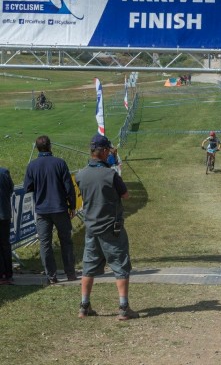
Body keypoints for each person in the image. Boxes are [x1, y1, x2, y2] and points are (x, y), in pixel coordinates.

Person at [75, 134, 138, 320]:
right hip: (112, 228)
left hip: (91, 228)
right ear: (103, 152)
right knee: (121, 266)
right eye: (107, 150)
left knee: (88, 266)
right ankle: (124, 307)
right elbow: (125, 195)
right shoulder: (111, 175)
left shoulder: (80, 174)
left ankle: (84, 306)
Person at [23, 135, 77, 284]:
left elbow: (27, 187)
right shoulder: (60, 163)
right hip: (59, 208)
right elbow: (68, 187)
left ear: (37, 148)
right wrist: (72, 205)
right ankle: (70, 273)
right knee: (66, 241)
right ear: (50, 146)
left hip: (42, 210)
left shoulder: (32, 166)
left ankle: (51, 275)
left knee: (45, 244)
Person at [0, 166, 14, 285]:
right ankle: (8, 274)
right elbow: (11, 189)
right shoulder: (4, 172)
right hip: (4, 213)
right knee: (5, 244)